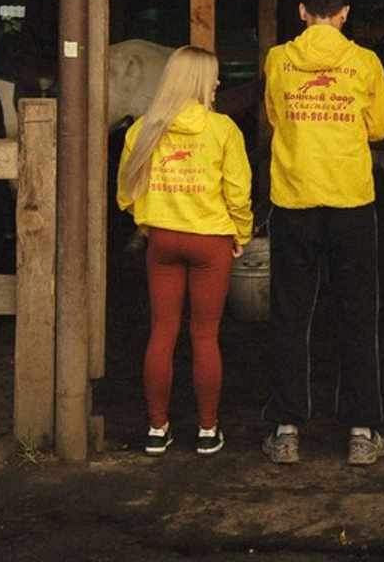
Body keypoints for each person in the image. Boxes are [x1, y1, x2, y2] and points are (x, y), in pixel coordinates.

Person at [261, 0, 384, 466]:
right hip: (350, 202)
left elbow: (276, 116)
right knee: (356, 314)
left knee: (291, 316)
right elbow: (380, 127)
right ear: (343, 15)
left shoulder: (279, 59)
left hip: (294, 201)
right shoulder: (365, 62)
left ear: (301, 13)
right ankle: (362, 432)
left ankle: (287, 430)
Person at [115, 45, 253, 458]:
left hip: (163, 241)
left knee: (162, 332)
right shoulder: (223, 129)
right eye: (212, 76)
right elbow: (239, 193)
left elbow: (126, 193)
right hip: (210, 241)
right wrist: (241, 233)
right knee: (205, 335)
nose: (216, 83)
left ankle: (158, 429)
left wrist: (148, 223)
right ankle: (208, 431)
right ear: (198, 82)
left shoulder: (143, 129)